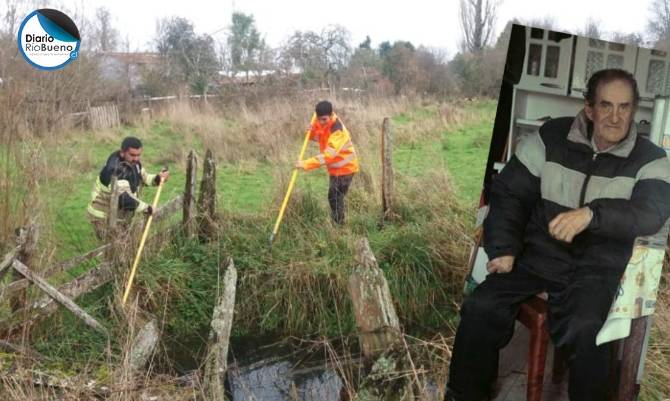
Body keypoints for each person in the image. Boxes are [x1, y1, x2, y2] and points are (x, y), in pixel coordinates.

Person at [445, 69, 670, 401]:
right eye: (606, 105)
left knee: (589, 332)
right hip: (537, 257)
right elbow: (510, 193)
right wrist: (504, 247)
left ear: (634, 110)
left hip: (596, 268)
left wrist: (593, 214)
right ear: (590, 109)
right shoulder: (551, 137)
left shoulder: (652, 159)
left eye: (624, 107)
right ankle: (465, 394)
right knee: (481, 307)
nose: (615, 116)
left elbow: (650, 213)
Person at [87, 136, 169, 241]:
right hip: (104, 217)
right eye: (132, 155)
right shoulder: (116, 170)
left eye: (138, 155)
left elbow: (144, 177)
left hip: (119, 216)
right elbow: (124, 199)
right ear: (122, 152)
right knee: (115, 248)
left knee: (126, 243)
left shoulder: (134, 163)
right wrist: (147, 208)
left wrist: (158, 178)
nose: (136, 158)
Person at [295, 101, 359, 225]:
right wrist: (311, 132)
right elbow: (317, 138)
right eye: (319, 119)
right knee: (334, 197)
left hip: (346, 168)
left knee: (334, 197)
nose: (321, 122)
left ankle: (339, 227)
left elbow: (328, 156)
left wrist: (305, 164)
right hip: (335, 169)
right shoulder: (320, 122)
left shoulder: (337, 130)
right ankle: (338, 224)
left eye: (324, 119)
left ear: (331, 115)